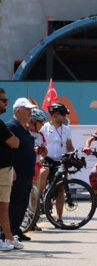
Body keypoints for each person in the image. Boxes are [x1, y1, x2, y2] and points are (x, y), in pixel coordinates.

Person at [7, 98, 37, 243]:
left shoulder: (24, 128)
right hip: (16, 174)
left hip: (26, 173)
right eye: (27, 110)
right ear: (18, 111)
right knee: (14, 204)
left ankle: (16, 229)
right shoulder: (11, 127)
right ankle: (7, 232)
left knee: (22, 204)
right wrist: (12, 168)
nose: (30, 113)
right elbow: (6, 150)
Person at [41, 101, 75, 225]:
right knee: (43, 172)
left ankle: (59, 218)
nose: (65, 117)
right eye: (63, 115)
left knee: (61, 188)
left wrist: (73, 155)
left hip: (61, 161)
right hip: (47, 159)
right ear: (55, 115)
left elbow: (69, 146)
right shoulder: (44, 128)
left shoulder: (66, 129)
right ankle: (39, 197)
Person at [0, 90, 21, 251]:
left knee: (4, 205)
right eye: (3, 100)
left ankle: (9, 238)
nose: (6, 103)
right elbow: (14, 143)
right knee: (2, 205)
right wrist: (15, 139)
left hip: (5, 169)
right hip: (1, 170)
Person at [26, 108, 48, 232]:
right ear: (33, 121)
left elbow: (45, 151)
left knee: (35, 195)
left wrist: (41, 150)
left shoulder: (40, 135)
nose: (43, 124)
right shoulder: (25, 132)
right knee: (24, 195)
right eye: (40, 122)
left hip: (36, 166)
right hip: (25, 167)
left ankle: (32, 221)